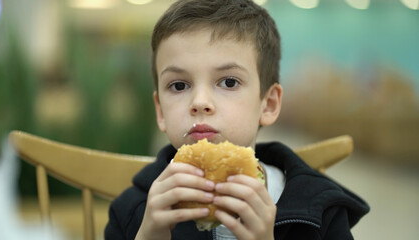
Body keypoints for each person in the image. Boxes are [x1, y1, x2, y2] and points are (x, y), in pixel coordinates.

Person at [105, 0, 369, 239]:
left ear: (269, 104)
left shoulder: (321, 212)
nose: (199, 102)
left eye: (229, 82)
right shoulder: (132, 210)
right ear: (161, 111)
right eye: (178, 85)